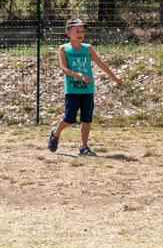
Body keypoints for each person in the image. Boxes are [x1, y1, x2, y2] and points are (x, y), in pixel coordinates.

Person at [46, 18, 123, 156]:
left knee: (86, 118)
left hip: (87, 89)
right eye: (77, 30)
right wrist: (79, 75)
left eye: (82, 30)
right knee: (69, 119)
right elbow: (63, 68)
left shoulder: (88, 48)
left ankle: (84, 147)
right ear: (68, 32)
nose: (81, 33)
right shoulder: (63, 49)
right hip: (72, 90)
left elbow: (101, 64)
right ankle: (55, 133)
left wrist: (115, 78)